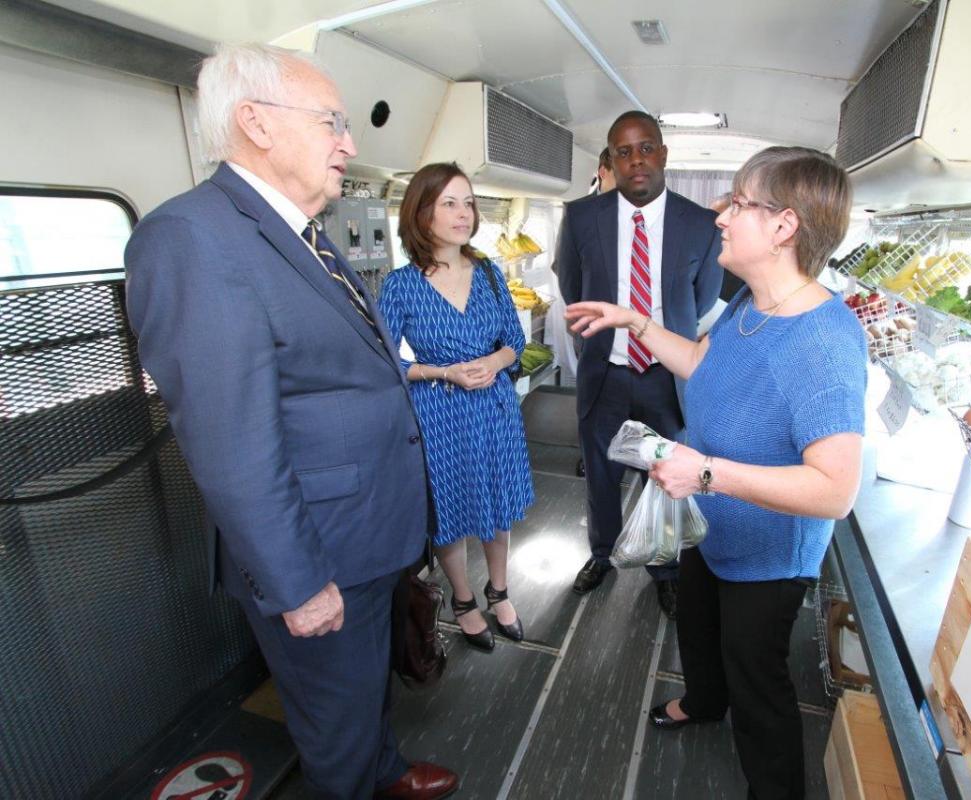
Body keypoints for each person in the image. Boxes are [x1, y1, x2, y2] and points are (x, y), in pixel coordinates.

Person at [123, 44, 457, 800]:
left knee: (365, 685)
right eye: (332, 122)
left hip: (365, 531)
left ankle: (386, 771)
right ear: (257, 124)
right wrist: (300, 584)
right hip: (316, 550)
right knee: (330, 726)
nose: (350, 142)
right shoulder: (193, 240)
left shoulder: (301, 231)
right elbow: (229, 442)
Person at [564, 146, 866, 799]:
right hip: (710, 522)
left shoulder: (823, 341)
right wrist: (634, 321)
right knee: (698, 629)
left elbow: (836, 490)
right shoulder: (752, 305)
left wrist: (705, 474)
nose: (721, 216)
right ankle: (703, 702)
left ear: (784, 226)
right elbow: (704, 365)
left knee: (757, 682)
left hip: (764, 556)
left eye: (739, 203)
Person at [555, 111, 722, 619]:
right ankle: (602, 554)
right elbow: (572, 288)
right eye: (623, 152)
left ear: (664, 154)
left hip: (664, 380)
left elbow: (704, 298)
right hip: (605, 374)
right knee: (601, 473)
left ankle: (665, 570)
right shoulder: (582, 217)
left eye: (646, 148)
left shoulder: (700, 224)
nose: (636, 161)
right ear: (611, 160)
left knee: (666, 476)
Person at [378, 163, 534, 652]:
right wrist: (443, 371)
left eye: (468, 202)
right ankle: (464, 601)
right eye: (449, 202)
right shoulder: (401, 285)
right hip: (440, 412)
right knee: (452, 508)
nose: (463, 213)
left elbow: (515, 339)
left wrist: (492, 362)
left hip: (494, 407)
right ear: (421, 213)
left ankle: (499, 590)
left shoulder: (487, 271)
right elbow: (385, 361)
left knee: (499, 501)